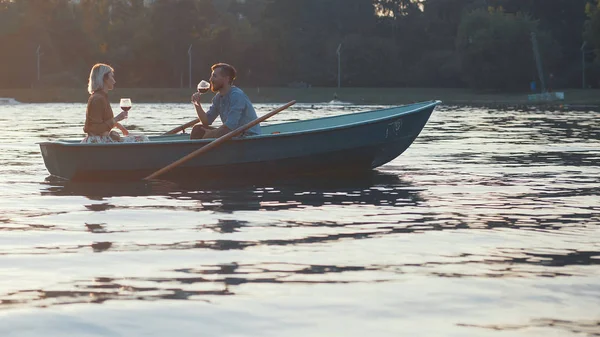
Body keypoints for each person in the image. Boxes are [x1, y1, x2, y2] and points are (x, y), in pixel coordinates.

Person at [190, 63, 261, 139]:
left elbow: (230, 126)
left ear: (226, 79)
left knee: (202, 132)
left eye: (214, 76)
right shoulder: (218, 98)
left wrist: (211, 134)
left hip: (247, 136)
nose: (210, 79)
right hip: (233, 134)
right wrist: (197, 104)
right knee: (198, 130)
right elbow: (207, 121)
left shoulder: (237, 96)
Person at [81, 63, 148, 144]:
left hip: (102, 139)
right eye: (111, 77)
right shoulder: (98, 99)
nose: (114, 81)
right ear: (104, 78)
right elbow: (96, 129)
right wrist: (117, 118)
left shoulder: (101, 96)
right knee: (143, 139)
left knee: (140, 137)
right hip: (97, 142)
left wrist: (120, 127)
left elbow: (104, 122)